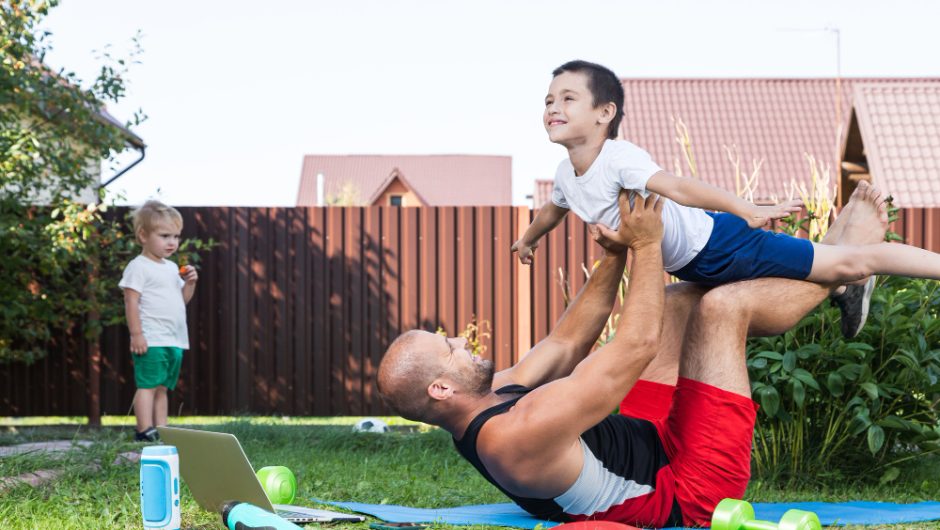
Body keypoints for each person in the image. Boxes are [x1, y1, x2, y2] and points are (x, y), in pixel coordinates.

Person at [378, 181, 888, 527]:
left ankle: (836, 271)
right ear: (440, 389)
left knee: (676, 301)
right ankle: (845, 272)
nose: (462, 341)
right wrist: (648, 246)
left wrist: (615, 254)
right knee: (722, 308)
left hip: (652, 442)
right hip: (686, 490)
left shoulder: (493, 396)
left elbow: (567, 341)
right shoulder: (514, 436)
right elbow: (635, 348)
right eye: (449, 349)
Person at [511, 59, 940, 338]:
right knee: (786, 289)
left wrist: (745, 207)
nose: (554, 107)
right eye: (549, 100)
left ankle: (862, 274)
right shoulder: (567, 173)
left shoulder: (619, 158)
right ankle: (843, 287)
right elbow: (554, 209)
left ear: (604, 113)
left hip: (722, 244)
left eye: (569, 98)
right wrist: (529, 239)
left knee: (852, 260)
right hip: (696, 266)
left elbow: (679, 186)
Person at [119, 200, 198, 442]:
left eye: (176, 236)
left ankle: (162, 430)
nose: (172, 242)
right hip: (151, 338)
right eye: (165, 236)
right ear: (143, 235)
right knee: (148, 385)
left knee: (163, 388)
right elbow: (131, 301)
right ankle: (144, 430)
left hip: (174, 339)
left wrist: (191, 284)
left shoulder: (172, 268)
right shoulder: (138, 267)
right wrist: (136, 334)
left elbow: (180, 300)